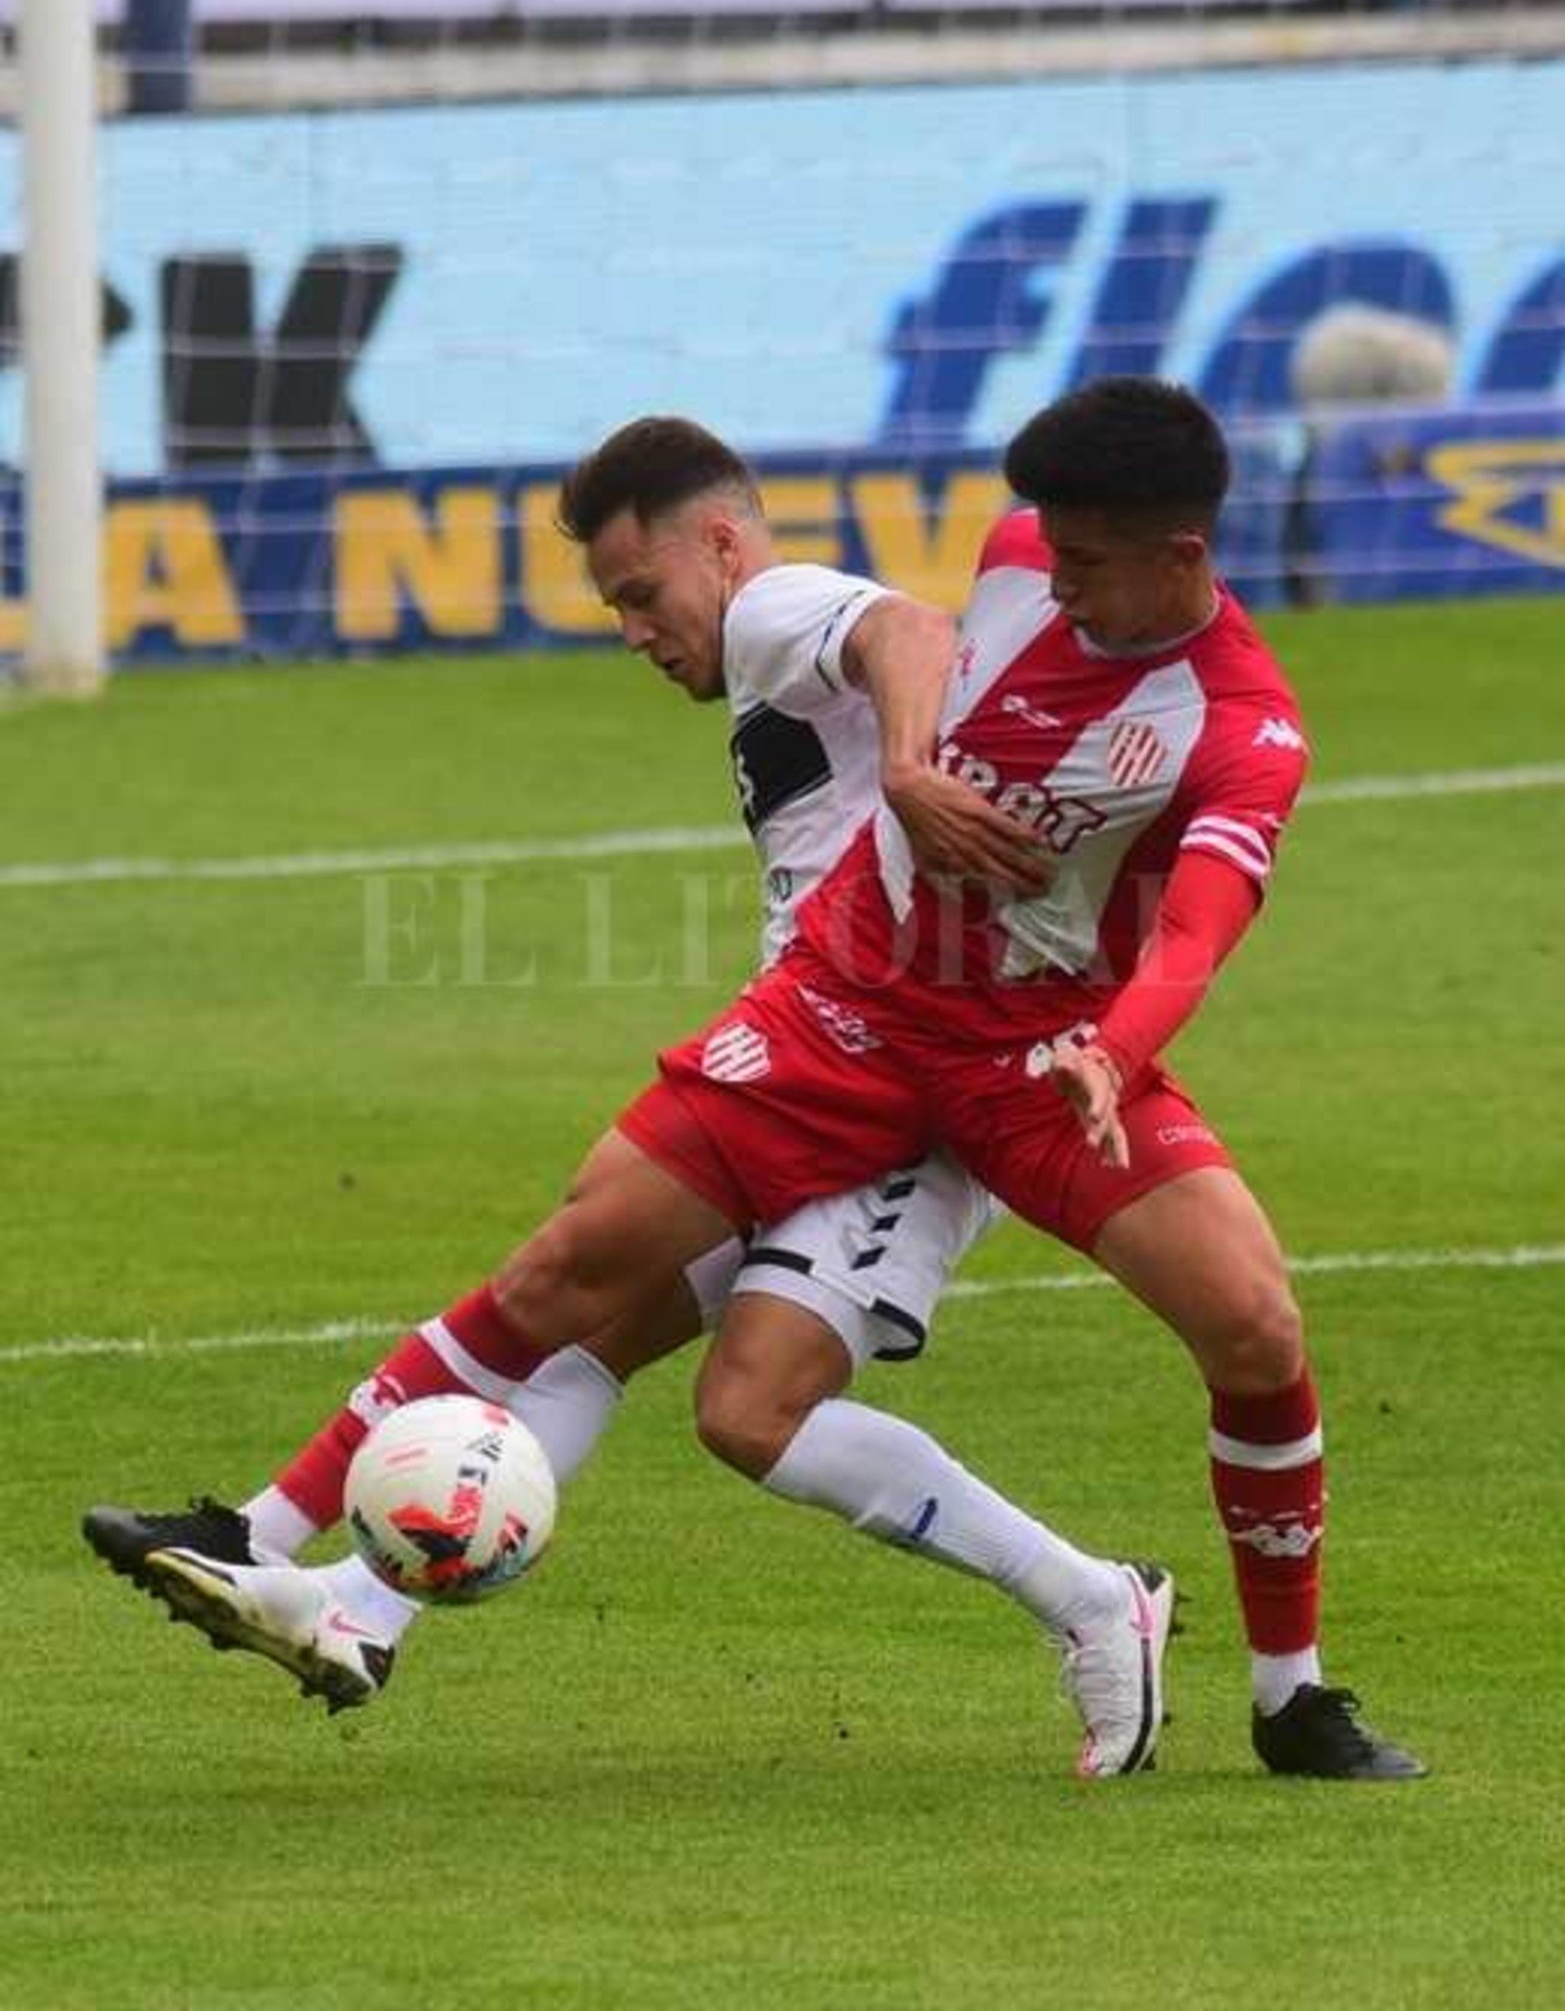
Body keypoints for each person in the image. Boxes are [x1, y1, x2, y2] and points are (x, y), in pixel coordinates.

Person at [87, 381, 1423, 1778]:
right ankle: (274, 1549)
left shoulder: (1232, 727)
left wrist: (1110, 1046)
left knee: (1251, 1325)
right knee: (587, 1274)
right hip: (842, 1004)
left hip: (1037, 1054)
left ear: (1180, 557)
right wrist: (910, 777)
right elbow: (931, 628)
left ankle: (1286, 1695)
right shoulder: (1018, 552)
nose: (1044, 568)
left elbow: (1198, 922)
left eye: (1085, 559)